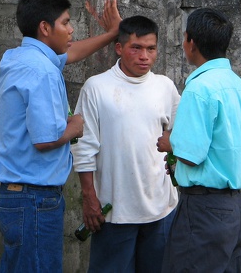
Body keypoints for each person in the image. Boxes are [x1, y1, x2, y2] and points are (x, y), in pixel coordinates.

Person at [0, 0, 122, 273]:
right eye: (65, 23)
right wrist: (75, 126)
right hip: (34, 201)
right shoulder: (42, 71)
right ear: (45, 28)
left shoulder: (17, 58)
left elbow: (72, 52)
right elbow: (46, 138)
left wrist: (113, 34)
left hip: (16, 198)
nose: (71, 29)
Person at [157, 8, 241, 273]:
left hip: (204, 209)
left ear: (191, 42)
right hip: (235, 208)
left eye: (184, 38)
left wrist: (171, 143)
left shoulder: (199, 88)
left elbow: (191, 154)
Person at [72, 15, 180, 273]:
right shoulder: (96, 88)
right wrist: (89, 197)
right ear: (119, 48)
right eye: (136, 48)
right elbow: (84, 148)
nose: (145, 56)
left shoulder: (164, 87)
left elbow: (182, 132)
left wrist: (174, 156)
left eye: (151, 48)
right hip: (113, 211)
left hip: (161, 209)